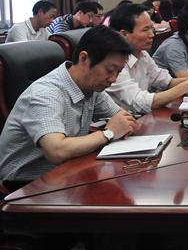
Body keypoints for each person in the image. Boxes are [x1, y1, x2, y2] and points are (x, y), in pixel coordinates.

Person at [0, 26, 140, 190]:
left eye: (119, 71)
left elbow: (123, 118)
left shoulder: (92, 86)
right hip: (23, 186)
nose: (113, 79)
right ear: (84, 58)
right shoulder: (45, 94)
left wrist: (124, 125)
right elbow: (56, 151)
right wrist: (108, 133)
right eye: (110, 70)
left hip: (65, 173)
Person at [107, 3, 188, 114]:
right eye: (145, 30)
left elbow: (167, 82)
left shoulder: (143, 55)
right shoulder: (113, 63)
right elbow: (139, 102)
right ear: (124, 34)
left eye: (151, 28)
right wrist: (186, 86)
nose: (152, 34)